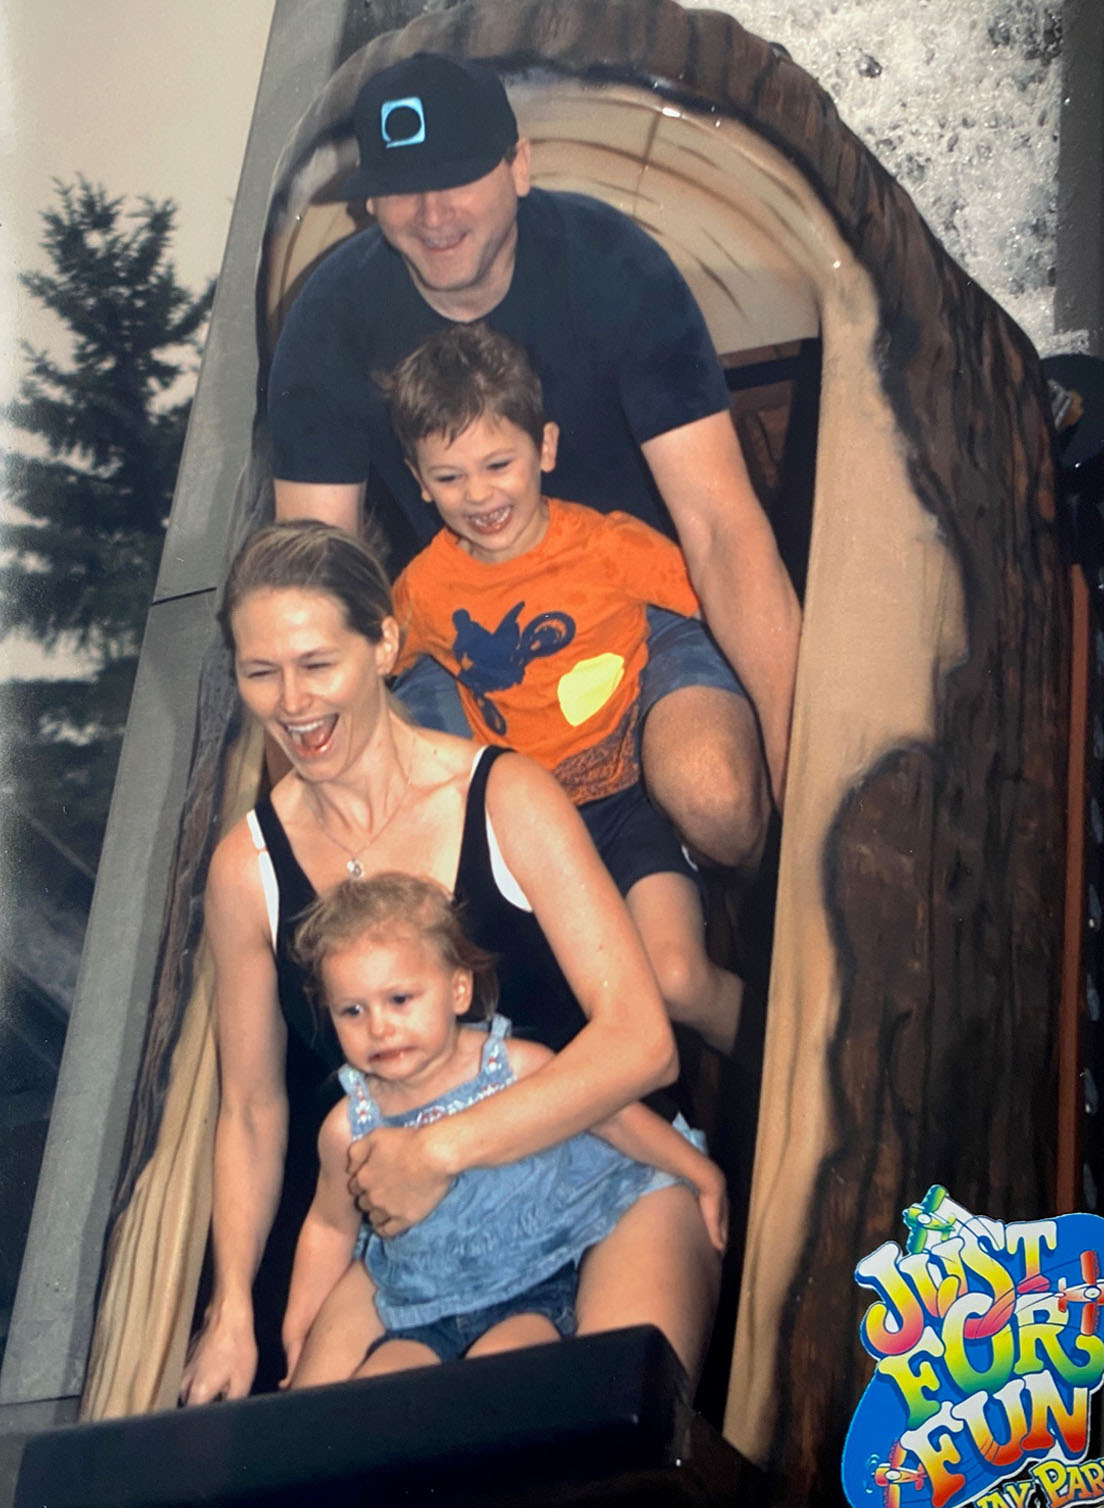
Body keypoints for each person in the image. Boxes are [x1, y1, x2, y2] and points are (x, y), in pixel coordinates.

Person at [178, 520, 721, 1405]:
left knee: (592, 1436)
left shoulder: (506, 795)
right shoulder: (248, 870)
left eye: (317, 664)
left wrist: (437, 1150)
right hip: (418, 1234)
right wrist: (231, 1305)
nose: (291, 702)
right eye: (260, 672)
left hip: (595, 1163)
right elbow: (248, 1108)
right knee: (334, 1458)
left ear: (385, 642)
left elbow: (641, 1044)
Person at [267, 51, 801, 866]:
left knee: (717, 794)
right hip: (459, 628)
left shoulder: (615, 267)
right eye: (404, 188)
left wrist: (806, 772)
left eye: (458, 177)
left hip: (639, 595)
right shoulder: (327, 327)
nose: (433, 213)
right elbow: (309, 585)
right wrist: (310, 841)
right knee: (406, 854)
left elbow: (721, 525)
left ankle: (740, 902)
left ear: (517, 166)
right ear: (371, 200)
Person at [385, 323, 743, 1054]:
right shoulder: (424, 588)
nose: (478, 495)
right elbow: (381, 670)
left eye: (498, 464)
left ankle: (783, 1059)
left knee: (675, 979)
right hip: (532, 842)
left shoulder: (609, 546)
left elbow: (722, 604)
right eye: (449, 478)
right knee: (573, 1016)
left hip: (626, 806)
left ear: (544, 448)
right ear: (419, 480)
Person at [282, 872, 727, 1383]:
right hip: (421, 1311)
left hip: (529, 1291)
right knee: (375, 1404)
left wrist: (700, 1171)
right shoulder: (349, 1125)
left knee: (501, 1387)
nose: (379, 1027)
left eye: (401, 1000)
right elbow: (329, 1226)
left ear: (457, 989)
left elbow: (610, 1117)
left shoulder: (510, 1066)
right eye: (353, 1010)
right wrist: (300, 1329)